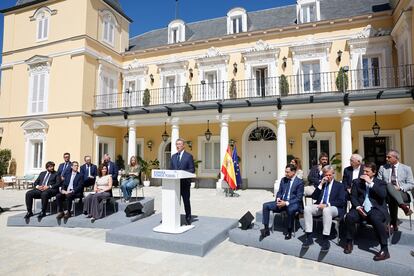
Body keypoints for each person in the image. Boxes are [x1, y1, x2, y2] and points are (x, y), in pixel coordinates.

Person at [344, 162, 390, 261]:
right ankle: (349, 241)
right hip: (361, 208)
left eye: (367, 171)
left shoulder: (380, 182)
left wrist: (370, 183)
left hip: (376, 209)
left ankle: (384, 249)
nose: (364, 173)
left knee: (375, 217)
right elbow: (353, 197)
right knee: (350, 216)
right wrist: (357, 207)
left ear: (374, 172)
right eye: (364, 170)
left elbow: (382, 195)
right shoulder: (357, 182)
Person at [302, 165, 346, 251]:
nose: (328, 177)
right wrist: (321, 184)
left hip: (334, 208)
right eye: (326, 175)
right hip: (320, 206)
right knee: (307, 208)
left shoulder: (339, 185)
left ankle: (325, 239)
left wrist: (327, 205)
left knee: (326, 210)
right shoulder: (321, 184)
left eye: (330, 175)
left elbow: (341, 201)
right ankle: (309, 237)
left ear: (333, 174)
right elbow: (314, 197)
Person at [260, 164, 304, 241]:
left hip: (292, 203)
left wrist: (286, 203)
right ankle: (266, 229)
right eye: (285, 172)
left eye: (287, 172)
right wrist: (278, 199)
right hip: (281, 202)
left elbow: (298, 198)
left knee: (290, 210)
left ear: (293, 172)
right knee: (265, 206)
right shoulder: (283, 180)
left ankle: (289, 231)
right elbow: (279, 192)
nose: (285, 174)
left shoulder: (299, 182)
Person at [377, 149, 413, 230]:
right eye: (386, 157)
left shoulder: (406, 168)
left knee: (392, 197)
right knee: (389, 185)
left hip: (402, 193)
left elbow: (411, 184)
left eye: (389, 157)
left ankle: (393, 222)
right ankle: (403, 207)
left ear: (396, 158)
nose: (386, 159)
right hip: (386, 193)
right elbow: (378, 182)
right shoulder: (382, 168)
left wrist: (400, 188)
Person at [170, 138, 195, 225]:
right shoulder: (173, 156)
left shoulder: (188, 156)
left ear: (183, 145)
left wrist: (182, 173)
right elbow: (171, 170)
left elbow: (192, 169)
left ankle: (188, 218)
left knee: (186, 201)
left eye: (180, 144)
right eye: (177, 144)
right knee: (176, 201)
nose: (178, 146)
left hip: (184, 183)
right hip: (175, 184)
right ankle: (175, 217)